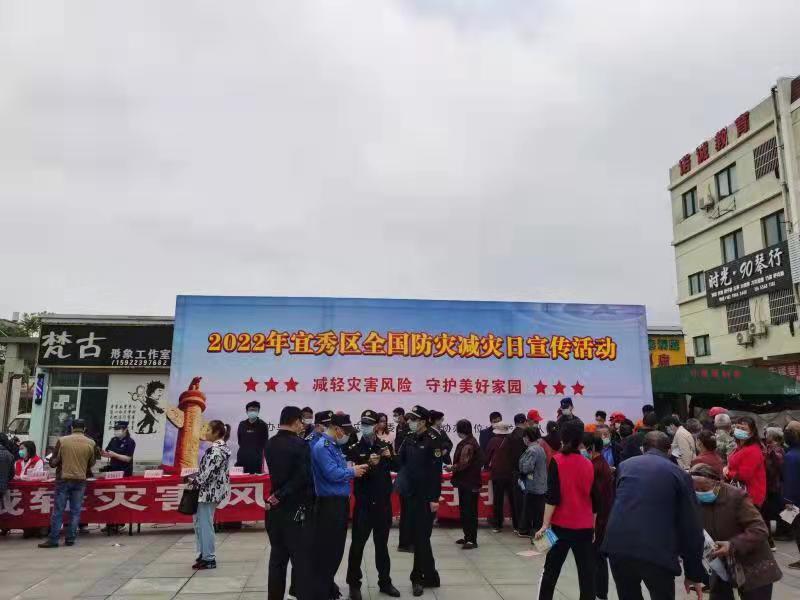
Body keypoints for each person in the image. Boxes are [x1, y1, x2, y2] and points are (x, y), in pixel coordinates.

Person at [602, 431, 704, 600]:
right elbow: (691, 526)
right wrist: (693, 572)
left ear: (643, 449)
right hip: (656, 550)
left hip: (618, 546)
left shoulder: (625, 466)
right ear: (669, 450)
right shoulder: (679, 474)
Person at [690, 464, 783, 600]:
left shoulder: (736, 497)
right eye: (696, 489)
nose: (700, 493)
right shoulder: (694, 500)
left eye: (704, 489)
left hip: (753, 565)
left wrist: (732, 545)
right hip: (721, 564)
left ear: (718, 483)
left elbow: (759, 529)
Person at [534, 419, 598, 600]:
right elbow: (595, 499)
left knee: (550, 572)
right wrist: (593, 526)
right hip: (584, 527)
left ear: (562, 437)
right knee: (587, 575)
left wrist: (545, 524)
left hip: (560, 526)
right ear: (581, 439)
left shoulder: (557, 461)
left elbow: (552, 497)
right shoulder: (588, 464)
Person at [310, 413, 368, 600]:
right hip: (329, 505)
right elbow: (332, 473)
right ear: (337, 429)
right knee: (328, 550)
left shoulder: (333, 446)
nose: (347, 435)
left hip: (339, 503)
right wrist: (353, 471)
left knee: (336, 550)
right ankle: (321, 591)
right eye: (346, 431)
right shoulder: (323, 447)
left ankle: (327, 586)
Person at [344, 410, 401, 600]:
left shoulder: (384, 445)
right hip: (364, 505)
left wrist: (390, 456)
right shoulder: (354, 448)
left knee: (382, 546)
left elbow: (397, 467)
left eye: (369, 423)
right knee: (357, 546)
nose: (366, 427)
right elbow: (354, 473)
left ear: (377, 425)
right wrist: (369, 462)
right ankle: (354, 584)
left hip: (382, 505)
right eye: (363, 423)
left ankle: (385, 582)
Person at [264, 406, 313, 600]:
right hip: (296, 509)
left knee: (277, 559)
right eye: (301, 421)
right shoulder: (301, 445)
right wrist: (282, 494)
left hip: (274, 509)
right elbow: (303, 477)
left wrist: (277, 496)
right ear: (295, 421)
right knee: (300, 559)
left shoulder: (270, 443)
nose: (303, 425)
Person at [396, 405, 443, 597]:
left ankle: (417, 578)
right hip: (409, 495)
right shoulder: (408, 438)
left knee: (421, 537)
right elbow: (400, 462)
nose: (410, 422)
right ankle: (431, 575)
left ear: (423, 421)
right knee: (418, 536)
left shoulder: (433, 440)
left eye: (414, 419)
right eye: (410, 419)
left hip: (425, 497)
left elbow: (436, 472)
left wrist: (434, 498)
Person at [39, 419, 97, 548]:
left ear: (71, 428)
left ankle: (54, 540)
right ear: (84, 429)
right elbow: (92, 462)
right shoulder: (91, 442)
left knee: (58, 510)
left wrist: (54, 461)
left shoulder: (63, 441)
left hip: (63, 479)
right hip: (80, 480)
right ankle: (70, 539)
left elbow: (54, 462)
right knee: (75, 511)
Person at [187, 420, 231, 570]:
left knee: (205, 524)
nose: (205, 432)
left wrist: (194, 480)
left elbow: (208, 472)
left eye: (208, 429)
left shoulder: (216, 450)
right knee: (201, 523)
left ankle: (209, 558)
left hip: (208, 493)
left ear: (216, 432)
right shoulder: (221, 448)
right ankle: (204, 554)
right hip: (210, 491)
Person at [586, 434, 615, 600]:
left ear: (591, 447)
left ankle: (600, 592)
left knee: (597, 557)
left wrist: (593, 522)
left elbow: (595, 497)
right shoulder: (601, 464)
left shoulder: (595, 466)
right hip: (603, 515)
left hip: (599, 518)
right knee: (598, 557)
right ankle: (599, 592)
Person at [447, 419, 481, 550]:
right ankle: (468, 536)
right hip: (467, 482)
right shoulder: (469, 442)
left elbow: (463, 463)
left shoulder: (468, 444)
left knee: (469, 511)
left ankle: (472, 540)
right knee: (466, 510)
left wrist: (452, 468)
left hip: (469, 482)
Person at [724, 417, 767, 509]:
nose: (739, 430)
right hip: (741, 494)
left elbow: (744, 475)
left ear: (751, 433)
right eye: (738, 427)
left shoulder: (752, 450)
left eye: (743, 429)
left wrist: (728, 473)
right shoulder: (740, 447)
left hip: (750, 497)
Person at [486, 422, 516, 533]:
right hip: (510, 474)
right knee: (513, 500)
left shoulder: (493, 441)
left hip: (497, 474)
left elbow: (487, 456)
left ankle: (497, 525)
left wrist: (486, 466)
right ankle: (517, 525)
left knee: (498, 500)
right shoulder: (512, 441)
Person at [517, 427, 547, 537]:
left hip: (533, 484)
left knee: (531, 509)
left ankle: (529, 530)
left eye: (524, 437)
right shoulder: (540, 448)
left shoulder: (532, 450)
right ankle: (535, 530)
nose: (523, 439)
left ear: (527, 437)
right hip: (540, 483)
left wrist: (521, 468)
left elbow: (527, 468)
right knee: (538, 510)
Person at [392, 406, 413, 553]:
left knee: (407, 513)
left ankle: (405, 543)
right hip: (407, 479)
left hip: (406, 477)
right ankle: (406, 543)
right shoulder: (409, 440)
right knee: (408, 513)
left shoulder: (408, 437)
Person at [762, 427, 785, 551]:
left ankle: (779, 533)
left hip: (773, 485)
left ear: (772, 436)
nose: (765, 436)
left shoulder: (776, 450)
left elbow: (776, 465)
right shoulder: (770, 448)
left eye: (767, 434)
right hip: (772, 485)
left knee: (771, 510)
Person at [782, 428, 800, 569]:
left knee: (798, 530)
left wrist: (788, 500)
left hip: (796, 499)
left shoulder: (790, 456)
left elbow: (790, 480)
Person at [236, 401, 269, 474]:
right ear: (247, 411)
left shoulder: (263, 425)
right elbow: (240, 440)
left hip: (256, 459)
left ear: (258, 411)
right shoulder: (242, 424)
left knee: (255, 478)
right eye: (251, 410)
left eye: (255, 410)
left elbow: (265, 442)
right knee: (241, 478)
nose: (253, 412)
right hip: (242, 458)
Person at [509, 413, 528, 531]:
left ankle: (516, 525)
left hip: (513, 471)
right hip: (524, 472)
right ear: (524, 422)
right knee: (524, 501)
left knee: (516, 500)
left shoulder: (510, 435)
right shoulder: (525, 436)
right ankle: (523, 527)